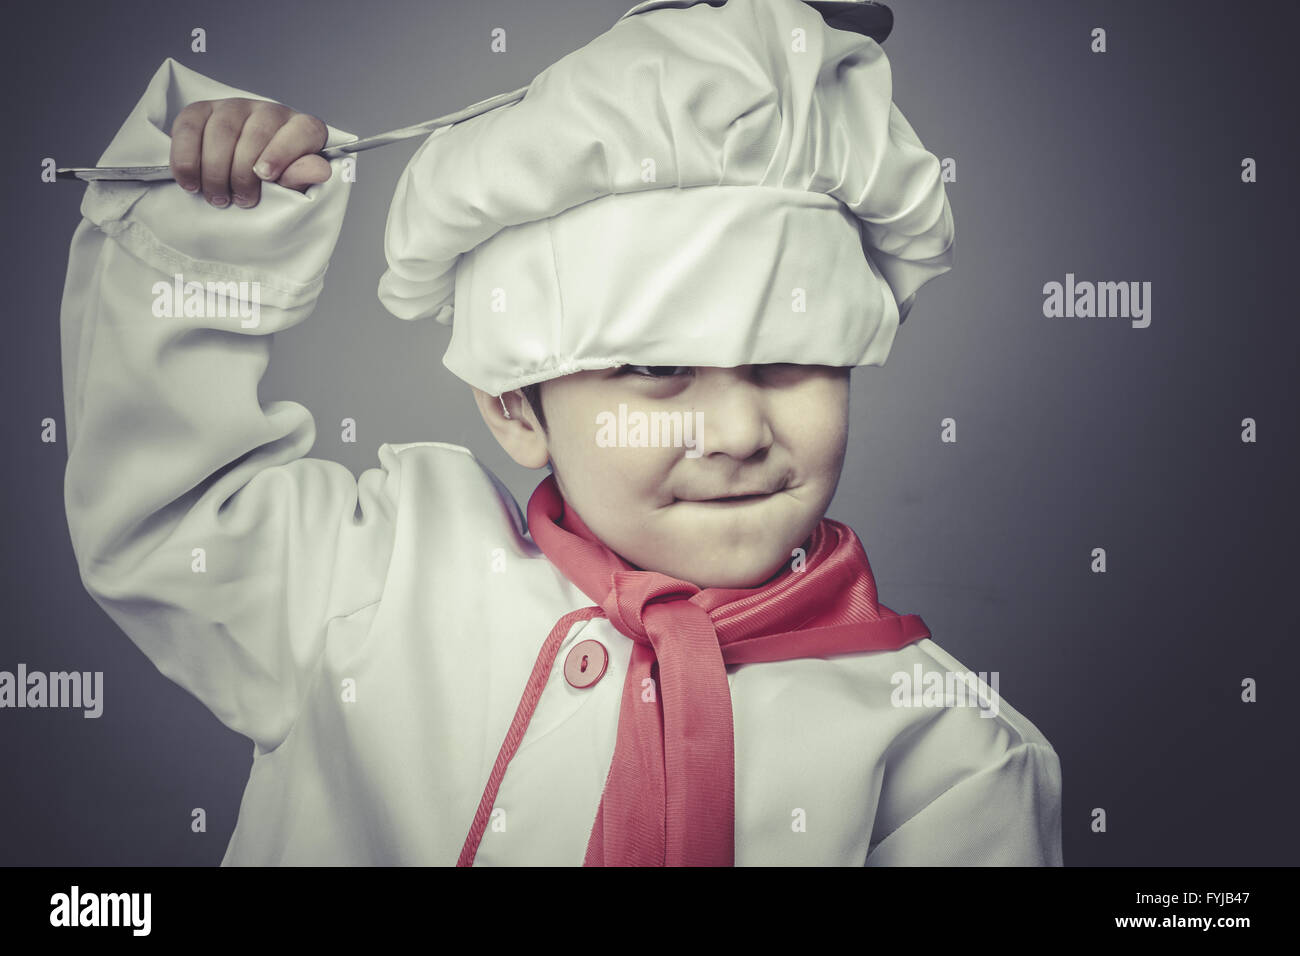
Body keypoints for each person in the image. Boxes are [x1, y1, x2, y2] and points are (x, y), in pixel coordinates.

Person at [59, 0, 1063, 865]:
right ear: (513, 401)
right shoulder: (374, 575)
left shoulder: (950, 756)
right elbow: (169, 509)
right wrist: (210, 232)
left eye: (789, 358)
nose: (737, 429)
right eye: (656, 370)